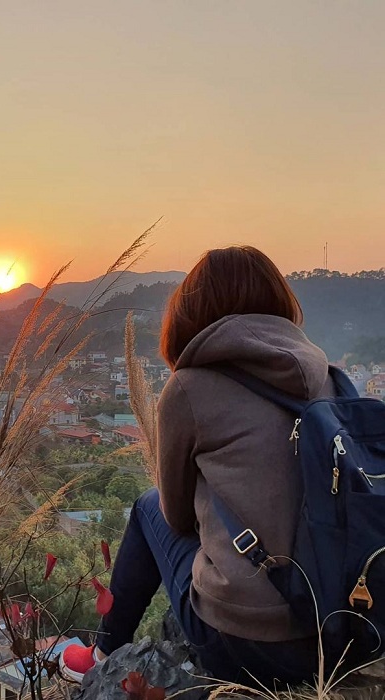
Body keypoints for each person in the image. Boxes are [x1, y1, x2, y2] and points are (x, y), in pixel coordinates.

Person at [60, 246, 331, 687]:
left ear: (191, 312)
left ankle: (103, 651)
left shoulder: (190, 387)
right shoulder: (332, 379)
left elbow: (177, 517)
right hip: (341, 633)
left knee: (148, 506)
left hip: (243, 646)